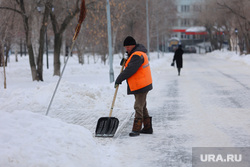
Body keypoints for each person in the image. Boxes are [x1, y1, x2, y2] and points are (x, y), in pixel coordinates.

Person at [115, 36, 153, 137]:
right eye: (125, 47)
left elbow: (130, 70)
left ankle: (136, 129)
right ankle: (148, 128)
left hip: (142, 85)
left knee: (138, 106)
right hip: (141, 84)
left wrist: (119, 79)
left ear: (133, 45)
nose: (126, 49)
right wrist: (126, 61)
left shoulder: (137, 55)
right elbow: (130, 65)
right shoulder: (136, 53)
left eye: (128, 47)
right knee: (142, 106)